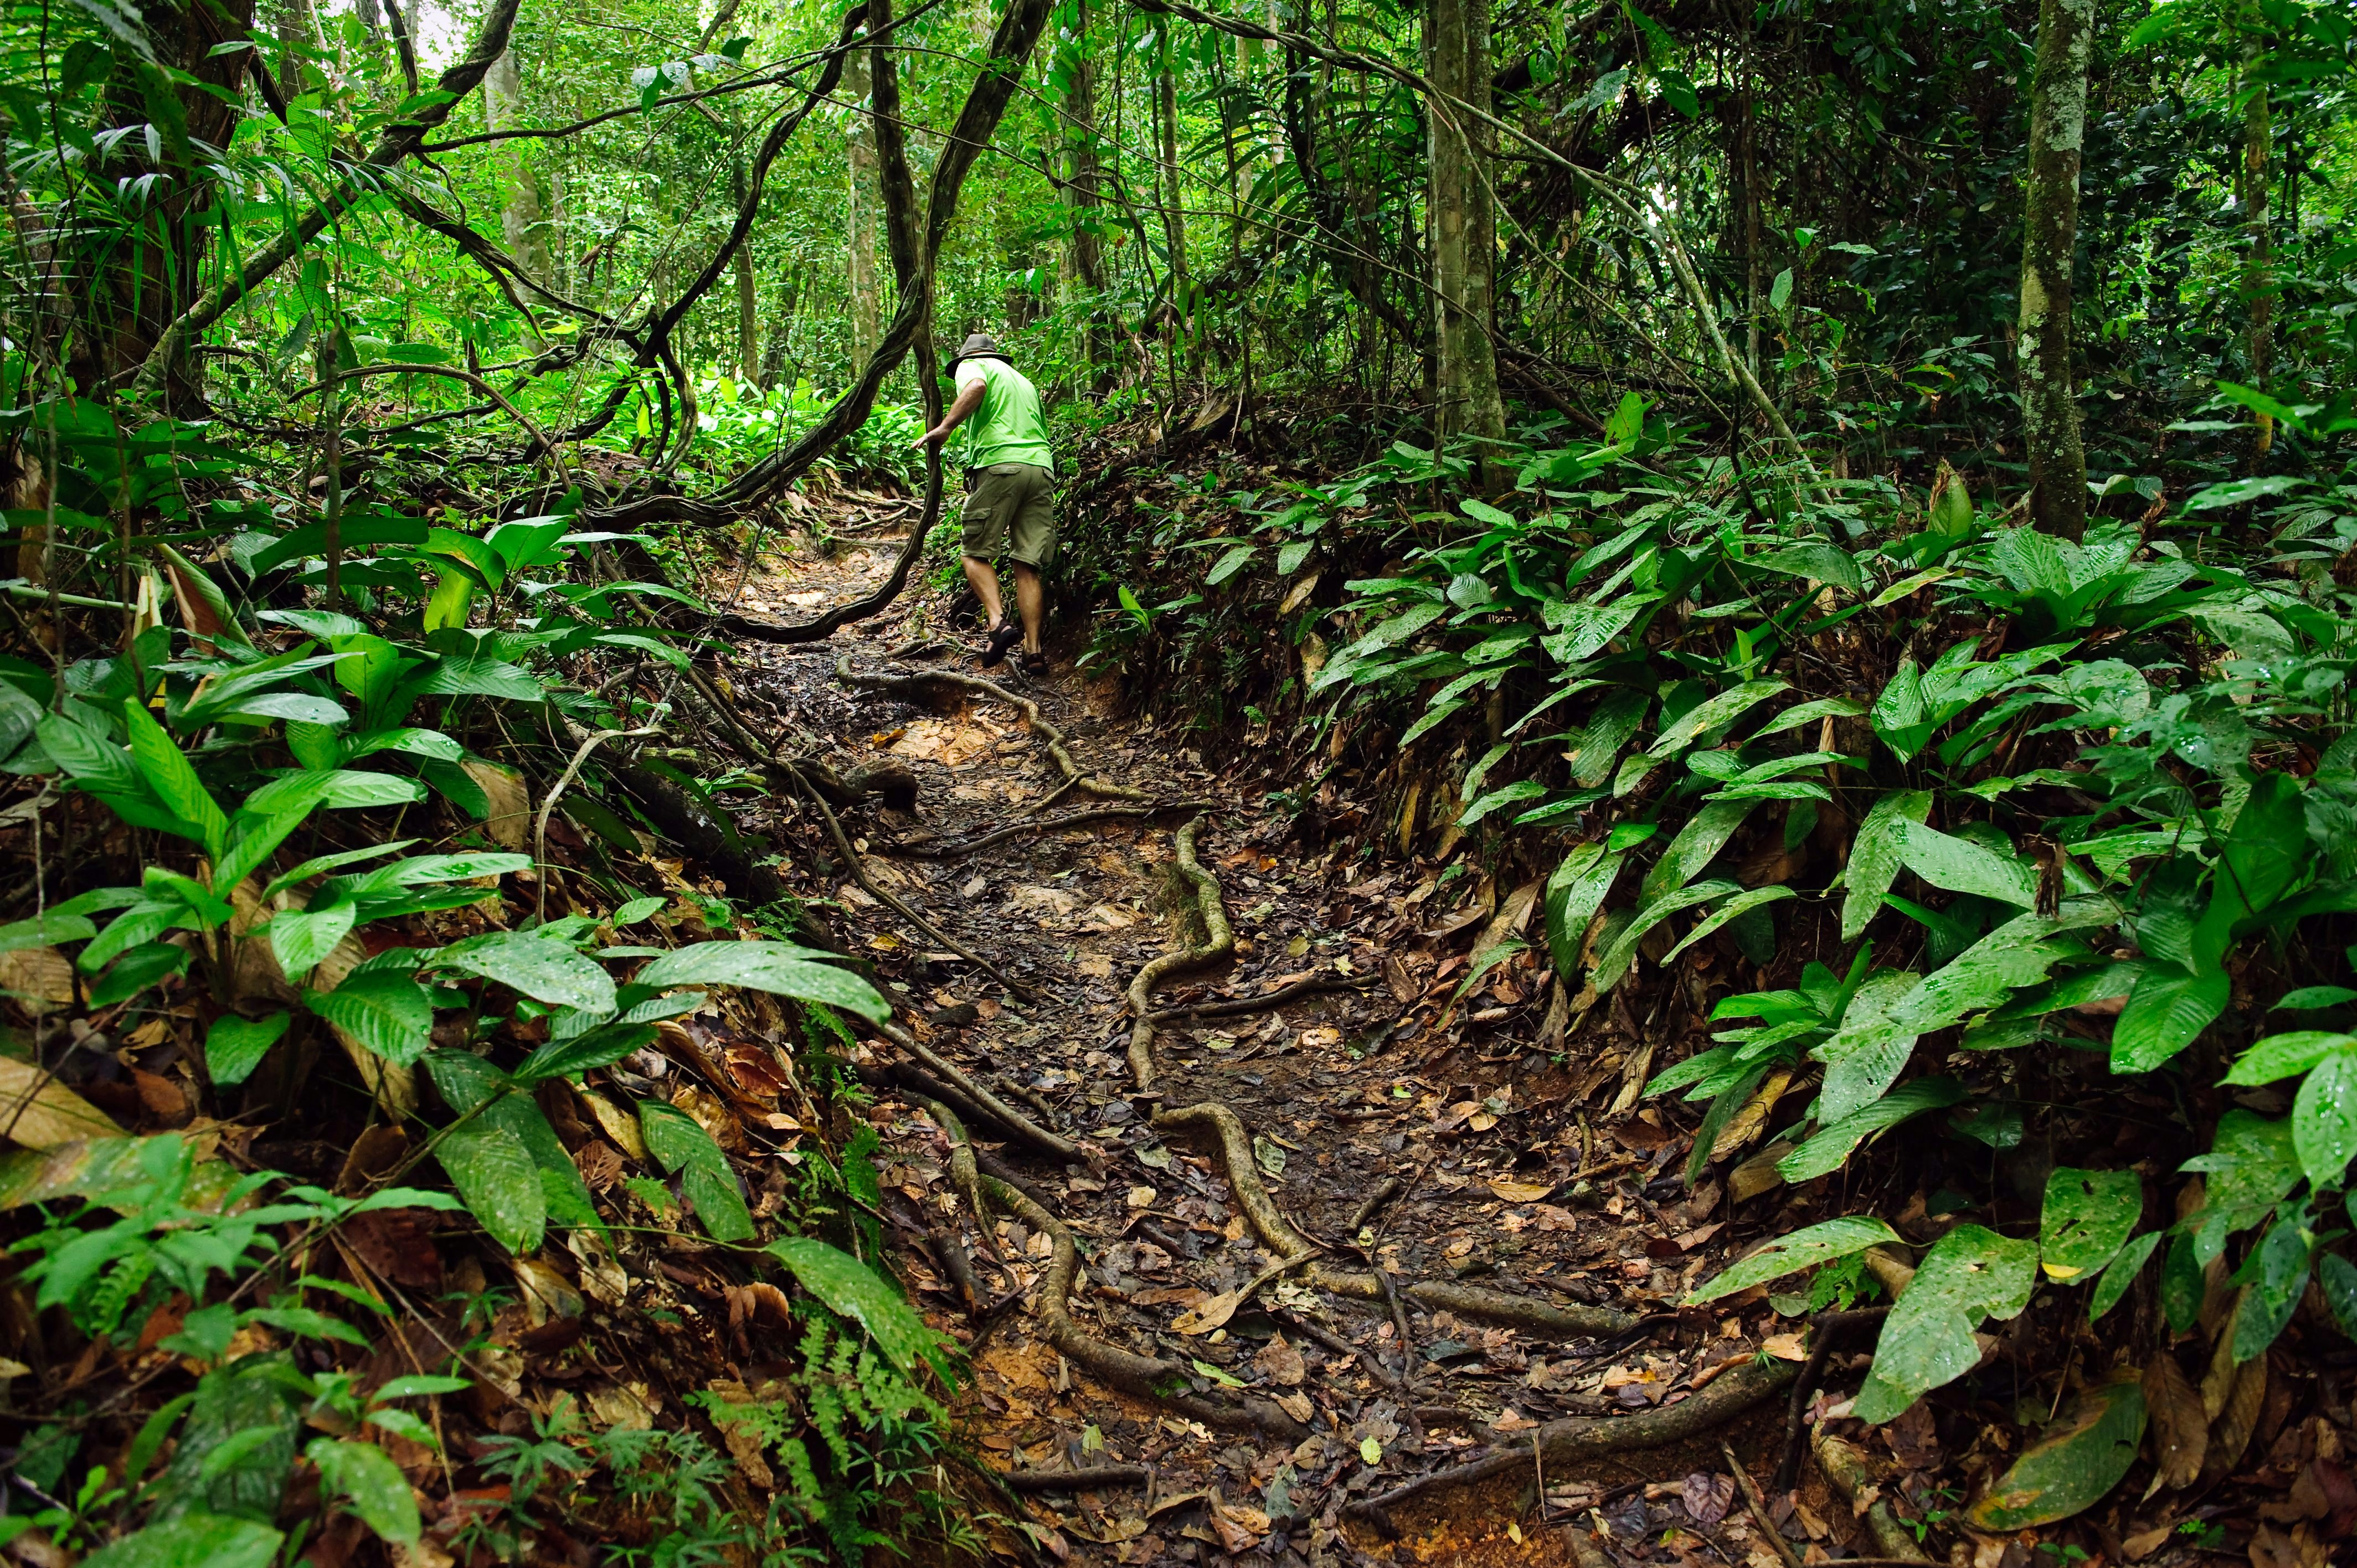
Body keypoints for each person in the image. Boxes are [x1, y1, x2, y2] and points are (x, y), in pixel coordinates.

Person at [914, 333, 1057, 675]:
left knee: (974, 553)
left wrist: (946, 427)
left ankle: (997, 624)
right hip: (1040, 468)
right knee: (1027, 564)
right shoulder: (1024, 382)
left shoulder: (972, 366)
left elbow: (976, 387)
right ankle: (1034, 651)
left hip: (1000, 466)